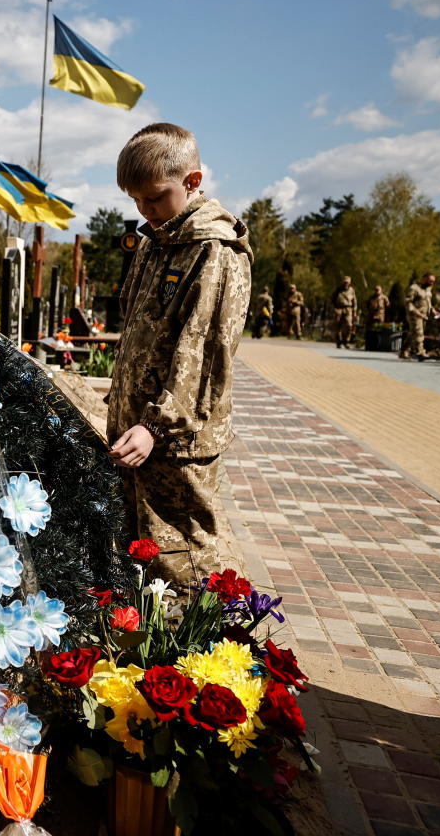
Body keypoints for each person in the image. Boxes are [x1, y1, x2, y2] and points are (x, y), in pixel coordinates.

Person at [106, 123, 252, 585]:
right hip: (138, 434)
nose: (144, 211)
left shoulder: (214, 250)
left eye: (154, 197)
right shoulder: (158, 241)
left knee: (183, 561)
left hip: (174, 442)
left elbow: (202, 352)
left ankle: (208, 654)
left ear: (192, 181)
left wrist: (155, 425)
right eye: (135, 201)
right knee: (140, 563)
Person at [400, 272, 438, 361]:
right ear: (424, 279)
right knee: (419, 333)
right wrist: (415, 311)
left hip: (424, 315)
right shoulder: (414, 288)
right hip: (414, 314)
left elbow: (428, 302)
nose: (431, 283)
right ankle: (421, 352)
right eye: (430, 281)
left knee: (413, 333)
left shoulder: (428, 290)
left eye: (433, 281)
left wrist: (433, 311)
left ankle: (403, 351)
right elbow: (408, 301)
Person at [331, 276, 357, 349]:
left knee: (349, 325)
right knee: (337, 325)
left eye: (347, 282)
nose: (346, 283)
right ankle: (338, 342)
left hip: (348, 309)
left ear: (350, 283)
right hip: (338, 309)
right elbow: (332, 299)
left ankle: (346, 341)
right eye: (345, 282)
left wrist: (354, 311)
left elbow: (354, 301)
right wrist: (334, 308)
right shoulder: (338, 290)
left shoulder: (352, 290)